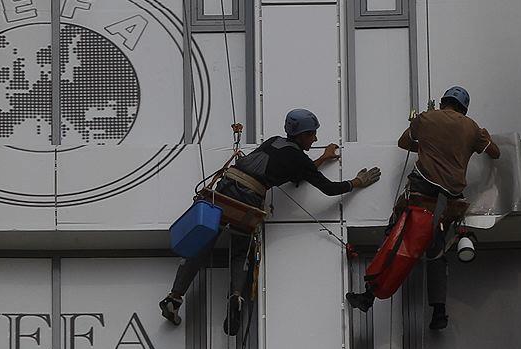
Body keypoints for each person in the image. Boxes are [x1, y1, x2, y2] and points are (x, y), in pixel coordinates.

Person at [160, 109, 382, 334]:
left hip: (224, 190)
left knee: (202, 243)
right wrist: (357, 182)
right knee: (241, 250)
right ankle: (236, 297)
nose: (315, 139)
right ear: (301, 135)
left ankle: (174, 297)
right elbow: (328, 188)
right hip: (247, 201)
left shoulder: (274, 141)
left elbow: (300, 173)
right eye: (312, 134)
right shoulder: (299, 159)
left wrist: (324, 158)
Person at [346, 86, 501, 329]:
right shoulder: (472, 127)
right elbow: (495, 153)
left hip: (421, 194)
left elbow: (403, 143)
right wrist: (483, 138)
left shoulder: (426, 118)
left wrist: (427, 144)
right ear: (464, 109)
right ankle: (439, 312)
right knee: (436, 251)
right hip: (450, 202)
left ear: (443, 102)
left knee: (396, 237)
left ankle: (369, 295)